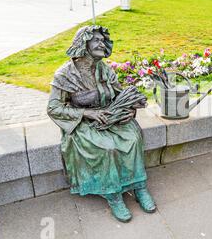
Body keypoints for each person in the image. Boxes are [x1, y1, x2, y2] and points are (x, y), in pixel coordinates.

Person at [47, 25, 156, 223]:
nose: (101, 43)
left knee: (133, 137)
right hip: (83, 123)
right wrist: (87, 113)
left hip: (109, 117)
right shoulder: (64, 75)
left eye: (102, 40)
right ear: (83, 43)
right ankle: (113, 195)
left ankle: (140, 187)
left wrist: (129, 110)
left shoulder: (104, 70)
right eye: (95, 40)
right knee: (107, 148)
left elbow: (120, 95)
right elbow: (54, 108)